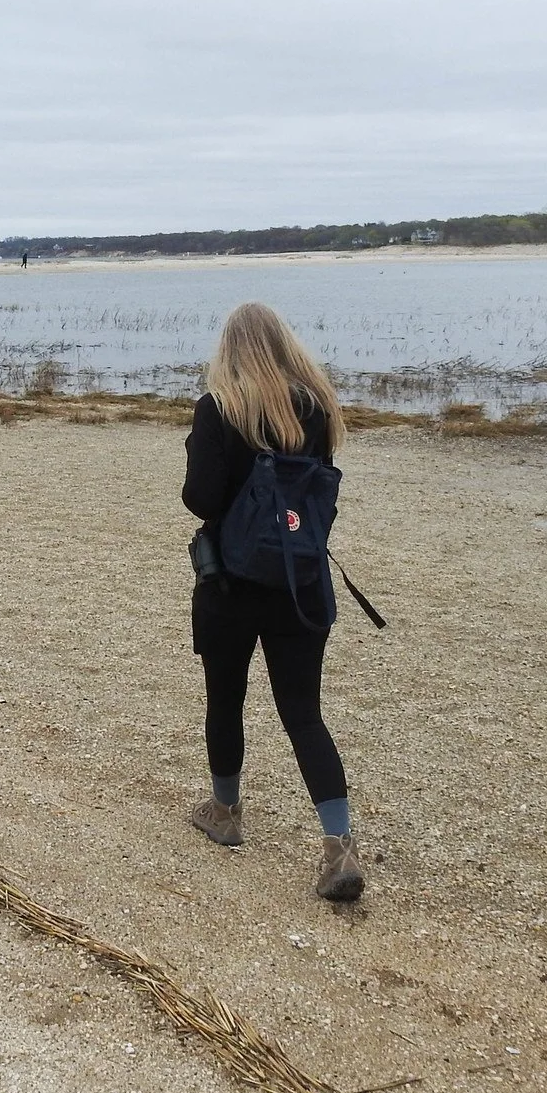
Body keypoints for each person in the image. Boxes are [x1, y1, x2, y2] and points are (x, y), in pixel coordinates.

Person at [182, 301, 364, 902]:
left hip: (231, 583)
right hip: (299, 582)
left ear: (230, 350)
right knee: (303, 712)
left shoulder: (219, 409)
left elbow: (201, 499)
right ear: (286, 346)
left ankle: (226, 811)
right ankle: (338, 845)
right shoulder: (316, 408)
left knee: (225, 698)